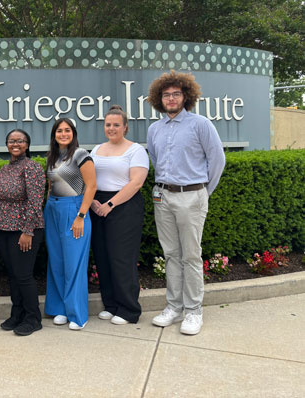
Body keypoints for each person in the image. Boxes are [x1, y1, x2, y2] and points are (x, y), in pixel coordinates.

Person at [146, 71, 226, 335]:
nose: (171, 98)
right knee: (171, 255)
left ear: (186, 96)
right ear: (159, 98)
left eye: (176, 94)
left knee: (191, 255)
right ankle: (174, 307)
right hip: (163, 197)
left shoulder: (200, 124)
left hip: (192, 196)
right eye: (166, 94)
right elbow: (157, 162)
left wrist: (202, 192)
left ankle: (194, 311)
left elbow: (217, 161)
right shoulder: (154, 129)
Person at [89, 105, 149, 325]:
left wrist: (110, 204)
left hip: (124, 206)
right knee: (102, 257)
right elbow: (90, 178)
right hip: (98, 206)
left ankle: (128, 309)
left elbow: (136, 183)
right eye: (108, 125)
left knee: (122, 258)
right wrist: (93, 200)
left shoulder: (135, 150)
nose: (111, 128)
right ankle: (111, 304)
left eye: (116, 125)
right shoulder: (96, 150)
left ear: (125, 127)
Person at [0, 129, 46, 336]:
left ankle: (33, 318)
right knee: (13, 276)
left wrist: (27, 230)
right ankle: (18, 314)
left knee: (23, 275)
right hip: (3, 230)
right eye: (12, 141)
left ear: (27, 145)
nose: (16, 144)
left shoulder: (32, 168)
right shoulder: (5, 169)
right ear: (7, 144)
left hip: (24, 230)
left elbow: (35, 201)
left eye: (20, 141)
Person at [44, 118, 96, 330]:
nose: (63, 134)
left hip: (74, 210)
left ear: (73, 133)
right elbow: (51, 185)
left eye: (67, 130)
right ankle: (60, 309)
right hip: (52, 210)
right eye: (59, 130)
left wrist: (81, 216)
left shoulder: (81, 154)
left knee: (74, 264)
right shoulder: (53, 157)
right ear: (54, 134)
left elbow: (92, 186)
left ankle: (77, 315)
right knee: (57, 261)